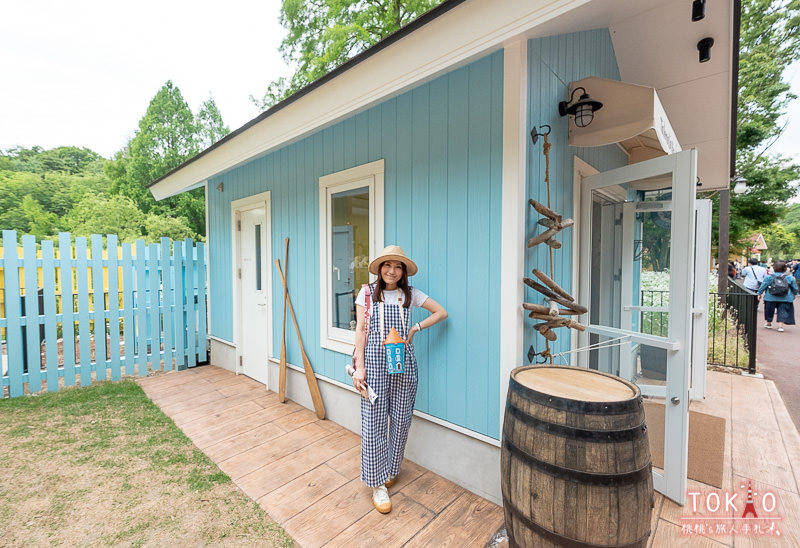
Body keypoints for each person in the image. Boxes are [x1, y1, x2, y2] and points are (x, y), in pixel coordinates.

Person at [352, 245, 447, 514]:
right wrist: (360, 366)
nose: (391, 271)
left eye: (397, 266)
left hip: (402, 363)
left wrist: (415, 328)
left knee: (402, 418)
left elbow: (441, 312)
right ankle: (377, 483)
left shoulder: (410, 294)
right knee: (375, 421)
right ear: (380, 268)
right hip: (373, 361)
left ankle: (391, 468)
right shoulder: (367, 293)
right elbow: (360, 330)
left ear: (403, 271)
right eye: (387, 265)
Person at [757, 259, 799, 332]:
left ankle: (769, 323)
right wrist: (795, 294)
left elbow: (763, 286)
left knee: (769, 310)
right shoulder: (790, 278)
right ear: (785, 269)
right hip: (786, 297)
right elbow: (795, 288)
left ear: (774, 268)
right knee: (783, 311)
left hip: (770, 297)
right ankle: (780, 326)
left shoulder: (769, 277)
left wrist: (759, 293)